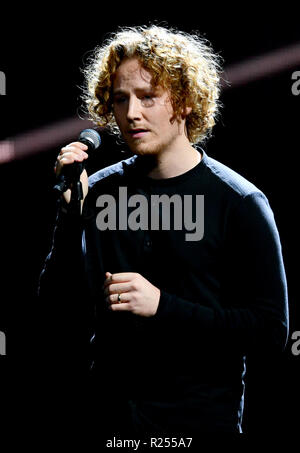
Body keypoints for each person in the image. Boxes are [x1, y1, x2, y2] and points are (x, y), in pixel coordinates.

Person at [39, 25, 289, 437]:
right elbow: (53, 319)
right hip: (109, 427)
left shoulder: (239, 202)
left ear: (186, 101)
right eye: (121, 99)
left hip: (198, 429)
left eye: (148, 97)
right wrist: (70, 220)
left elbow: (270, 333)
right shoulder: (98, 191)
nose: (132, 113)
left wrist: (163, 306)